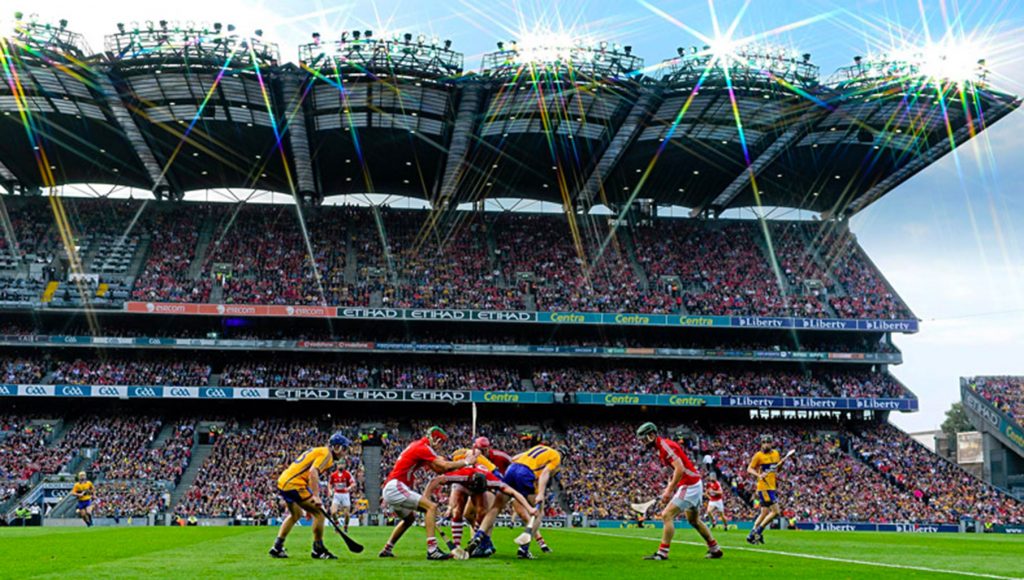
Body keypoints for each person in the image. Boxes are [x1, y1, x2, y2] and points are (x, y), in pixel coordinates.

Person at [379, 426, 478, 560]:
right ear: (435, 439)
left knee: (409, 519)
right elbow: (444, 466)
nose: (440, 447)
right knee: (431, 507)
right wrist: (467, 462)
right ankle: (432, 550)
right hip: (396, 487)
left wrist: (456, 465)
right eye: (441, 443)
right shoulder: (423, 447)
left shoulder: (418, 446)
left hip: (393, 487)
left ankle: (387, 549)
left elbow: (439, 470)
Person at [636, 422, 722, 561]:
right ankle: (715, 549)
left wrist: (670, 490)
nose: (643, 443)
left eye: (644, 439)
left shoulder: (665, 446)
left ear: (652, 435)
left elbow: (680, 469)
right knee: (694, 520)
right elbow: (674, 470)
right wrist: (669, 486)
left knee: (667, 515)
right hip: (693, 483)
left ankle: (662, 553)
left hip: (690, 485)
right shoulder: (661, 447)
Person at [471, 434, 559, 560]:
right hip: (526, 474)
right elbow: (545, 473)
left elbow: (514, 458)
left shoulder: (536, 450)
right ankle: (523, 549)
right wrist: (540, 493)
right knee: (538, 513)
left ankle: (479, 535)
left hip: (512, 469)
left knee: (496, 507)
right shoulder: (556, 456)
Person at [422, 466, 537, 559]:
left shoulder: (491, 480)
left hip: (480, 486)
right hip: (463, 484)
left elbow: (514, 493)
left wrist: (530, 508)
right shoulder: (461, 475)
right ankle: (457, 546)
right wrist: (425, 500)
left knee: (482, 511)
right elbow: (435, 480)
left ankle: (483, 542)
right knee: (457, 511)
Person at [269, 432, 351, 560]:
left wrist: (308, 505)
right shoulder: (327, 455)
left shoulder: (320, 451)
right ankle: (318, 549)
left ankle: (277, 547)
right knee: (319, 513)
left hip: (284, 482)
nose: (345, 453)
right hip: (294, 484)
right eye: (344, 448)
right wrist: (316, 496)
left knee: (296, 515)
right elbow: (313, 472)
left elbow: (307, 473)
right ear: (336, 447)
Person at [746, 433, 791, 545]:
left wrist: (781, 464)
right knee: (776, 512)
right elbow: (749, 469)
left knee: (764, 512)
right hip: (764, 487)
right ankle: (757, 532)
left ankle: (751, 533)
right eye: (764, 443)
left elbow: (778, 470)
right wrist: (758, 475)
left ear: (771, 443)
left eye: (768, 442)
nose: (766, 445)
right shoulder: (758, 456)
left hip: (772, 486)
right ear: (761, 444)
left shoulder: (776, 454)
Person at [329, 466, 356, 533]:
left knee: (347, 514)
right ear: (337, 466)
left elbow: (353, 483)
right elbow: (329, 483)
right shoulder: (333, 475)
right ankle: (337, 524)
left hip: (345, 495)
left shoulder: (347, 474)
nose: (340, 466)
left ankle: (346, 526)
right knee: (333, 512)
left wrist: (349, 488)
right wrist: (330, 490)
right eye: (339, 464)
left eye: (342, 464)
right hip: (337, 494)